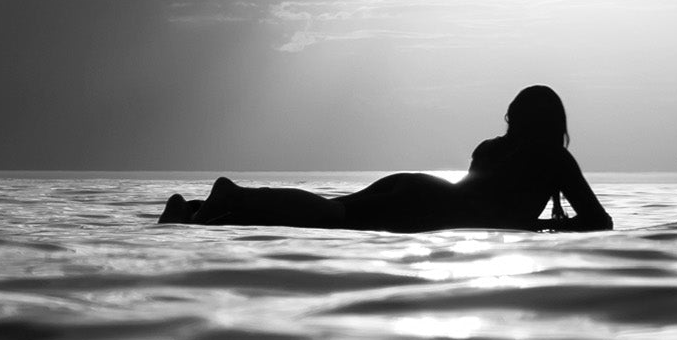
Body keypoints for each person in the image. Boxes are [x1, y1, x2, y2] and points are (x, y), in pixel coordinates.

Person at [159, 85, 614, 232]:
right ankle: (236, 195)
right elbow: (600, 222)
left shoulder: (491, 148)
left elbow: (486, 197)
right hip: (429, 204)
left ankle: (198, 212)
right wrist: (542, 228)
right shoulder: (554, 158)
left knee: (332, 210)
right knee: (333, 216)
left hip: (419, 187)